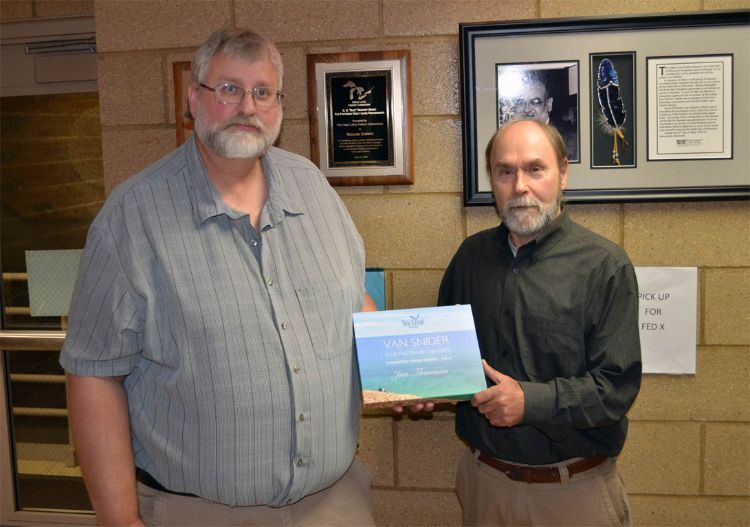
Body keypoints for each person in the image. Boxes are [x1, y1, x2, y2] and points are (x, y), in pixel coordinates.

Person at [60, 27, 376, 526]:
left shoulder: (314, 188)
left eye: (262, 92)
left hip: (334, 505)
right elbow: (94, 374)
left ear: (278, 104)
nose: (247, 106)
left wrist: (400, 374)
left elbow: (352, 299)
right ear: (194, 97)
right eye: (228, 89)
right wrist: (119, 520)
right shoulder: (132, 218)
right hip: (198, 512)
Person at [438, 119, 641, 526]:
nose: (520, 187)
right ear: (492, 180)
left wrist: (530, 402)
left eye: (535, 168)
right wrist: (422, 387)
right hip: (485, 486)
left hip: (571, 494)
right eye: (505, 171)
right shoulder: (470, 258)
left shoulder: (604, 265)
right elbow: (444, 354)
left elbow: (615, 388)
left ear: (562, 173)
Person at [501, 71, 579, 162]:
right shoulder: (508, 138)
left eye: (535, 102)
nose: (527, 109)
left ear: (549, 104)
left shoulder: (571, 139)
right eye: (521, 102)